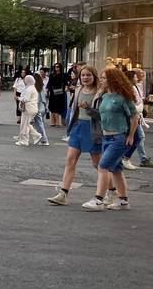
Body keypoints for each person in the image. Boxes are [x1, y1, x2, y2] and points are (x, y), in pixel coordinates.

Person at [81, 67, 140, 211]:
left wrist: (131, 135)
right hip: (106, 136)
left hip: (119, 137)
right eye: (101, 78)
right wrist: (89, 109)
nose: (101, 81)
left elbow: (134, 116)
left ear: (113, 80)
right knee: (116, 169)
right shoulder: (105, 96)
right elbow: (102, 116)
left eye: (104, 78)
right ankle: (123, 200)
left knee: (103, 166)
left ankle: (98, 199)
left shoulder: (122, 97)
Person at [47, 65, 103, 206]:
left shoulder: (100, 93)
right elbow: (74, 111)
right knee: (70, 160)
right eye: (83, 75)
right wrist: (70, 126)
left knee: (98, 164)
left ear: (94, 77)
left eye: (88, 75)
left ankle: (111, 191)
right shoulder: (78, 90)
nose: (85, 78)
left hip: (93, 128)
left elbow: (102, 115)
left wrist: (89, 109)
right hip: (78, 127)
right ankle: (63, 193)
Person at [15, 72, 43, 146]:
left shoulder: (29, 89)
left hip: (28, 108)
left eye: (25, 79)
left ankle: (24, 141)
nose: (24, 80)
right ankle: (36, 136)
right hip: (32, 108)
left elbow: (26, 99)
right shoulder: (32, 87)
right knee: (27, 124)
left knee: (24, 125)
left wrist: (19, 98)